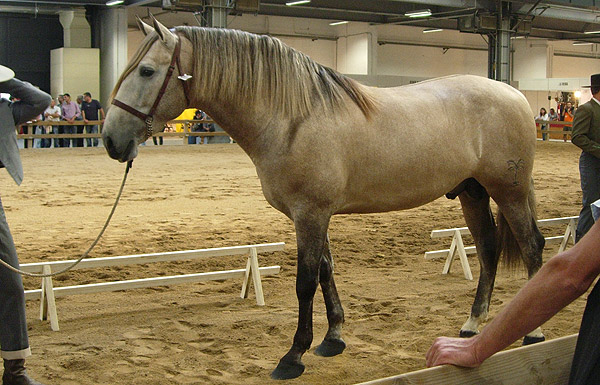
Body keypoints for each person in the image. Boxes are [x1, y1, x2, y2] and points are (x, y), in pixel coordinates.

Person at [0, 64, 51, 385]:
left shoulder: (4, 109)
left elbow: (41, 100)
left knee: (11, 286)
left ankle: (15, 370)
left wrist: (6, 79)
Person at [572, 74, 600, 243]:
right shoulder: (586, 109)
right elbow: (577, 136)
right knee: (591, 203)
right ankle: (580, 243)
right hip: (591, 163)